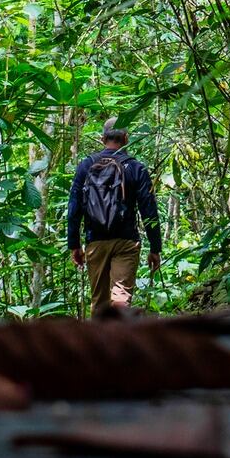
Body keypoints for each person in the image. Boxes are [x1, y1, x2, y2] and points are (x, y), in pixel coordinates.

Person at [68, 121, 161, 314]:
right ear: (126, 139)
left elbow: (74, 207)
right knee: (121, 298)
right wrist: (155, 247)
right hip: (126, 241)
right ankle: (121, 329)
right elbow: (148, 209)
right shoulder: (135, 167)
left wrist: (74, 245)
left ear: (103, 138)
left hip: (96, 241)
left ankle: (100, 333)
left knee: (99, 303)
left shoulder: (86, 165)